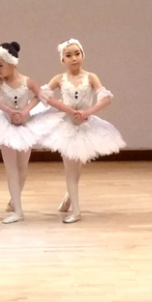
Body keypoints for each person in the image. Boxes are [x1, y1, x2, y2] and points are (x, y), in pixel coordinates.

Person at [36, 38, 125, 223]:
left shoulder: (90, 77)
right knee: (70, 168)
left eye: (77, 54)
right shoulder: (59, 79)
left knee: (77, 166)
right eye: (69, 55)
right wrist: (68, 110)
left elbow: (106, 98)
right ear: (63, 59)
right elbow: (44, 96)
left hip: (85, 126)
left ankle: (69, 197)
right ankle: (76, 211)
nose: (74, 58)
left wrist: (87, 113)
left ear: (83, 55)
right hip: (66, 127)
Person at [0, 42, 53, 224]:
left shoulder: (27, 82)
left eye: (0, 65)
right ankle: (19, 211)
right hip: (5, 128)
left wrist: (24, 111)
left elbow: (40, 96)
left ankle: (15, 201)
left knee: (22, 167)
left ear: (11, 62)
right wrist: (7, 110)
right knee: (11, 168)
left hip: (25, 127)